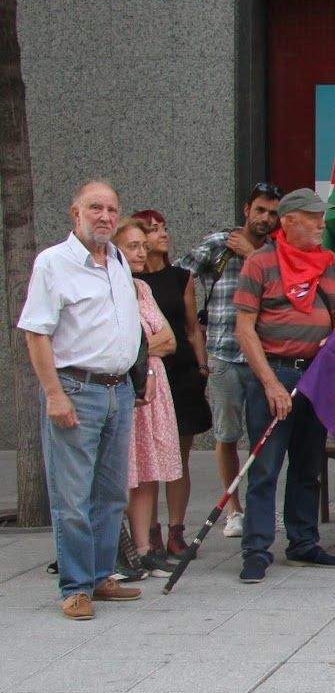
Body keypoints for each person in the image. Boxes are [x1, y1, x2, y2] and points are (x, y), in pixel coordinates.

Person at [21, 181, 145, 619]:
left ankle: (99, 576)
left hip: (118, 389)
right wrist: (53, 393)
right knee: (72, 496)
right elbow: (37, 332)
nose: (105, 216)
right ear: (75, 213)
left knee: (110, 494)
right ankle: (74, 586)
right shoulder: (53, 263)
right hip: (75, 388)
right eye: (95, 207)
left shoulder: (117, 261)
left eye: (112, 209)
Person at [232, 187, 335, 582]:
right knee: (265, 466)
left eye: (322, 217)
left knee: (308, 462)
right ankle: (256, 548)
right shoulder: (260, 263)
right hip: (275, 372)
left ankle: (303, 543)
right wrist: (270, 384)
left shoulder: (329, 262)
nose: (322, 224)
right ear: (288, 221)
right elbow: (244, 328)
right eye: (313, 217)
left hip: (316, 373)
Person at [186, 183, 279, 539]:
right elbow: (181, 274)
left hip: (264, 354)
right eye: (260, 210)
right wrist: (193, 328)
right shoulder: (220, 243)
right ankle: (234, 510)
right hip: (225, 351)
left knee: (264, 436)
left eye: (272, 213)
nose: (266, 218)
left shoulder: (276, 251)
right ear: (246, 210)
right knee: (227, 434)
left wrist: (253, 256)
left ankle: (260, 509)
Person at [131, 209, 208, 558]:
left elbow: (192, 328)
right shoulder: (129, 281)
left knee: (180, 453)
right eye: (153, 229)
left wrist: (203, 368)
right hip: (147, 373)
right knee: (148, 455)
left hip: (182, 372)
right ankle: (150, 532)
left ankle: (177, 530)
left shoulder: (182, 277)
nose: (163, 234)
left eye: (165, 227)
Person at [114, 220, 183, 578]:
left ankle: (144, 549)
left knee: (147, 469)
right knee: (124, 470)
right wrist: (144, 353)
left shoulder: (141, 288)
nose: (141, 252)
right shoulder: (107, 288)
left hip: (153, 389)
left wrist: (140, 351)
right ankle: (118, 549)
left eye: (143, 245)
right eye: (132, 246)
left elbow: (170, 340)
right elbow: (117, 348)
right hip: (126, 388)